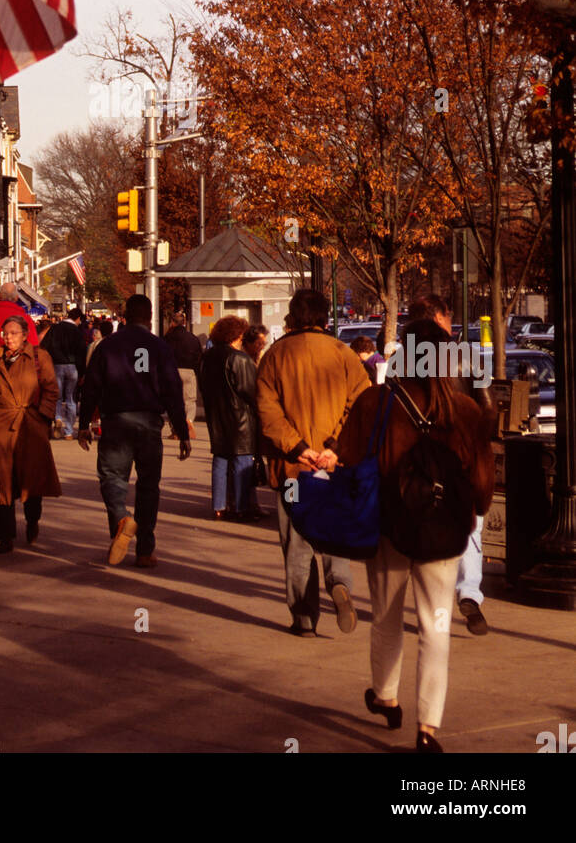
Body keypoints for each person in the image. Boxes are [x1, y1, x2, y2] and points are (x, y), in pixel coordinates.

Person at [338, 318, 494, 752]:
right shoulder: (464, 411)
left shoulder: (376, 402)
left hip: (390, 526)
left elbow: (348, 459)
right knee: (436, 625)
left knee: (386, 617)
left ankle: (386, 696)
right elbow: (482, 480)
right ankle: (428, 727)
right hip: (442, 533)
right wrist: (474, 512)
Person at [256, 288, 370, 635]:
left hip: (293, 467)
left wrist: (299, 448)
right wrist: (334, 447)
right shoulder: (344, 354)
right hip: (333, 466)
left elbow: (267, 410)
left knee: (297, 543)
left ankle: (304, 618)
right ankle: (340, 585)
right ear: (324, 317)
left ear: (292, 317)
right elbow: (362, 404)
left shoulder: (275, 355)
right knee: (334, 530)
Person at [78, 292, 190, 568]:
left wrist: (83, 424)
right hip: (150, 423)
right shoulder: (160, 347)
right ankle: (145, 549)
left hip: (116, 420)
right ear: (150, 318)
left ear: (125, 316)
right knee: (149, 485)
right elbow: (173, 390)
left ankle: (121, 520)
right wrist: (182, 430)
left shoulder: (107, 346)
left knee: (112, 478)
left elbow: (91, 386)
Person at [408, 293, 492, 635]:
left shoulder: (406, 359)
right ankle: (469, 591)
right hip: (463, 455)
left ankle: (434, 602)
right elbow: (487, 405)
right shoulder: (468, 356)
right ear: (441, 317)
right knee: (471, 524)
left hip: (422, 458)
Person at [0, 314, 61, 553]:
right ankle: (4, 536)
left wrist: (43, 418)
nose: (9, 337)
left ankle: (33, 520)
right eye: (5, 333)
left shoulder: (38, 357)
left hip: (30, 425)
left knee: (32, 481)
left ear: (25, 336)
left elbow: (51, 390)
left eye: (14, 333)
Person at [199, 315, 260, 521]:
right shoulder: (239, 359)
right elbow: (251, 392)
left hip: (216, 416)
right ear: (237, 335)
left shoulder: (207, 357)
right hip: (240, 419)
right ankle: (241, 507)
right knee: (242, 461)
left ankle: (219, 505)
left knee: (221, 458)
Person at [38, 306, 87, 439]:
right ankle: (69, 431)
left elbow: (44, 346)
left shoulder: (55, 328)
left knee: (57, 397)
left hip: (56, 365)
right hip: (72, 367)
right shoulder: (77, 332)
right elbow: (82, 352)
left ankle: (58, 418)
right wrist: (82, 372)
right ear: (77, 319)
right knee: (71, 398)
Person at [163, 310, 202, 440]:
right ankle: (189, 421)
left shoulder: (167, 338)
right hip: (189, 371)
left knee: (173, 401)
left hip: (172, 371)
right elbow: (199, 357)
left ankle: (175, 430)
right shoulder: (193, 338)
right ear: (184, 323)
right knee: (189, 400)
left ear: (172, 323)